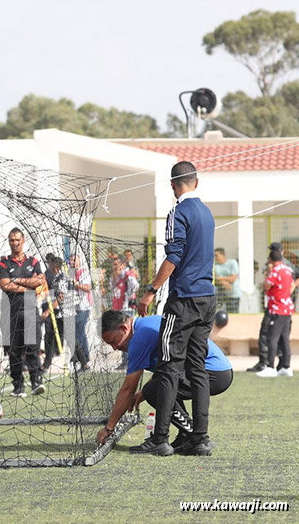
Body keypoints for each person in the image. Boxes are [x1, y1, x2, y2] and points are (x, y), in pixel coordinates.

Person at [135, 161, 216, 457]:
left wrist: (150, 290)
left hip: (182, 300)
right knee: (197, 369)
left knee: (168, 367)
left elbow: (175, 255)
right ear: (196, 182)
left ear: (173, 185)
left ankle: (160, 439)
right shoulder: (207, 213)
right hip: (208, 298)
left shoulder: (178, 212)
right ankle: (200, 438)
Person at [98, 311, 232, 453]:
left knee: (153, 391)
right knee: (154, 389)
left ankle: (196, 436)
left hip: (213, 373)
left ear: (124, 328)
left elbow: (128, 389)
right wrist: (143, 392)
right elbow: (167, 368)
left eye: (113, 341)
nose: (115, 347)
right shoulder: (146, 324)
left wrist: (109, 427)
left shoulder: (139, 339)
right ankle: (186, 435)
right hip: (220, 370)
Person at [0, 228, 46, 397]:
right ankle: (18, 386)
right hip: (12, 313)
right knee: (14, 350)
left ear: (23, 241)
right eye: (12, 240)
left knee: (33, 348)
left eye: (18, 240)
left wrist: (16, 281)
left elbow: (39, 281)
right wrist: (27, 286)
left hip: (31, 312)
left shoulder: (33, 261)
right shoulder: (4, 263)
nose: (15, 243)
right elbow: (5, 285)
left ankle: (36, 382)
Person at [249, 242, 299, 372]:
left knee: (275, 336)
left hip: (279, 305)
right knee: (271, 334)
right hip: (278, 304)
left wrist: (292, 288)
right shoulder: (275, 265)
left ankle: (276, 365)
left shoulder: (285, 266)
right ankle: (268, 363)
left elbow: (267, 284)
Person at [67, 253, 92, 372]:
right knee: (75, 334)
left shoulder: (83, 272)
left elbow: (88, 287)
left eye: (73, 260)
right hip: (74, 308)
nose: (71, 262)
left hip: (83, 307)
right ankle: (79, 360)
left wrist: (76, 284)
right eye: (70, 260)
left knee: (80, 334)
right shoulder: (70, 273)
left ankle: (85, 360)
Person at [41, 254, 66, 372]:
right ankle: (47, 363)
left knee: (67, 337)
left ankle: (82, 361)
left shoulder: (61, 278)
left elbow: (60, 298)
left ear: (55, 266)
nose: (49, 266)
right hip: (49, 308)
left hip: (60, 312)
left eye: (50, 264)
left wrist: (49, 310)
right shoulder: (47, 275)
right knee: (48, 336)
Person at [214, 248, 240, 313]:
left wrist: (219, 279)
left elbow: (233, 278)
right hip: (220, 295)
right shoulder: (215, 266)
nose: (215, 258)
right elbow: (213, 278)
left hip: (233, 294)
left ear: (223, 255)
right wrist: (223, 283)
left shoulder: (232, 263)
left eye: (216, 255)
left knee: (233, 314)